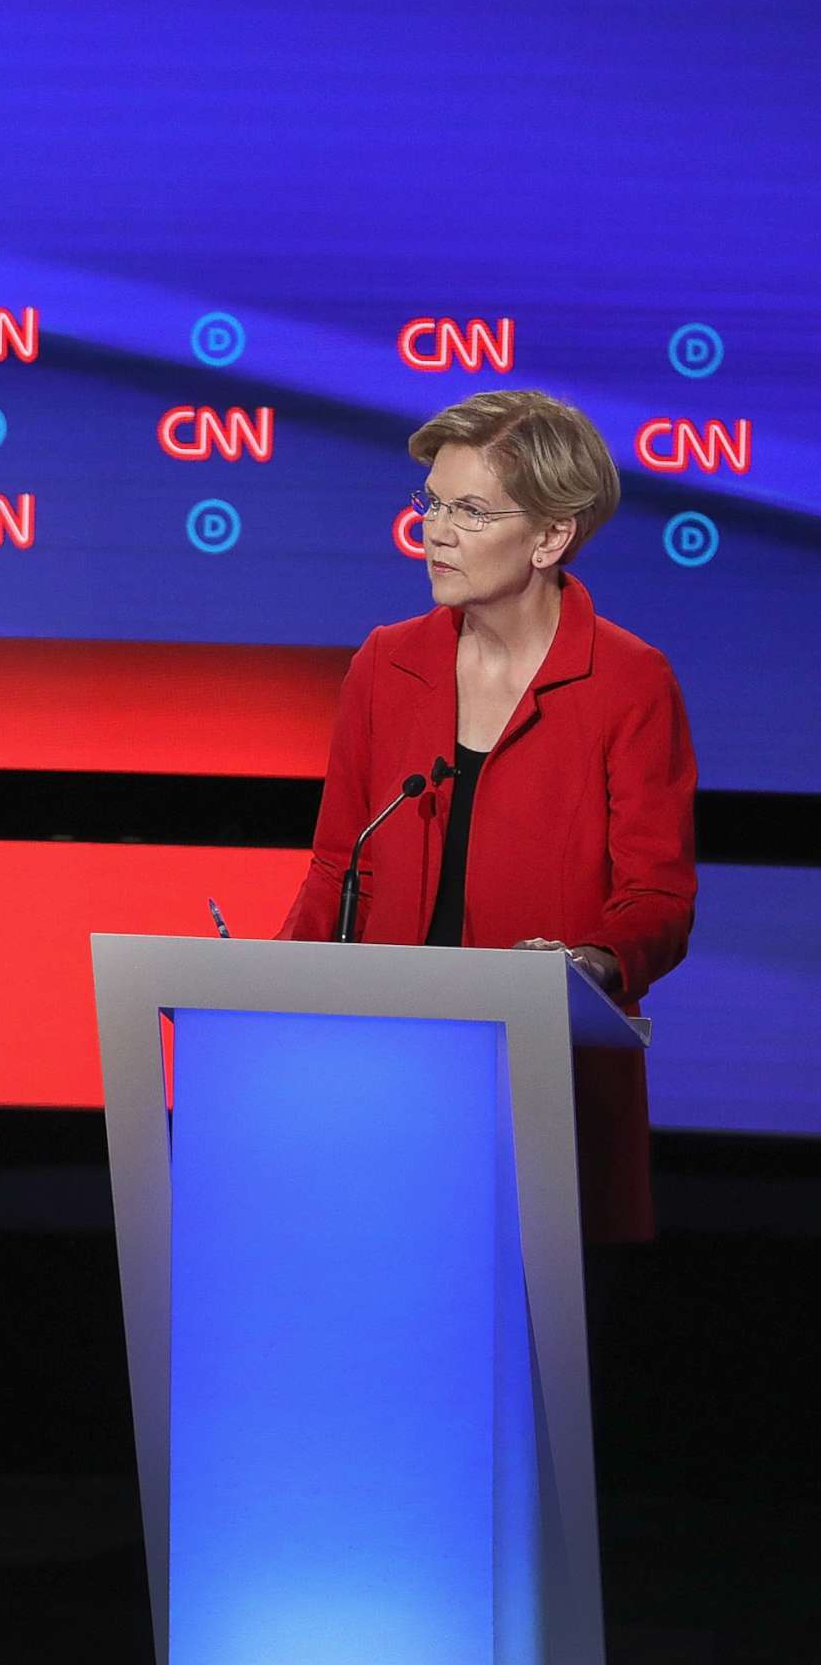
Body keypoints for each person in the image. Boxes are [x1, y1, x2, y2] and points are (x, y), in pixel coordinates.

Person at [280, 389, 696, 1240]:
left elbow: (658, 898)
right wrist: (263, 998)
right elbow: (336, 867)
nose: (434, 530)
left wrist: (590, 961)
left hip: (539, 1085)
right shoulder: (386, 663)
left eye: (469, 510)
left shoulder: (628, 681)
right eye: (431, 503)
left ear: (551, 536)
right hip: (384, 1078)